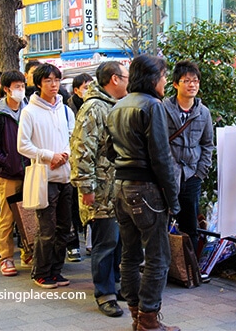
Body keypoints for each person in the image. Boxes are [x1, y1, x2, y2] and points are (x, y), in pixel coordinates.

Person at [106, 54, 181, 331]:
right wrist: (173, 199)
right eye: (163, 76)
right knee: (158, 256)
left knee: (130, 254)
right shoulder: (153, 106)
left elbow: (107, 150)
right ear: (152, 78)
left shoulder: (117, 105)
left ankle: (137, 315)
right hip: (147, 190)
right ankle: (148, 319)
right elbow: (161, 158)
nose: (165, 82)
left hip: (121, 187)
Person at [70, 61, 128, 318]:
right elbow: (82, 149)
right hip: (101, 188)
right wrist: (86, 187)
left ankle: (115, 285)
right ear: (114, 79)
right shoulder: (94, 107)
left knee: (117, 240)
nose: (129, 81)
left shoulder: (114, 105)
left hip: (118, 187)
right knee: (105, 241)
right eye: (126, 77)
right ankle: (104, 293)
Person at [18, 63, 75, 289]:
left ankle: (56, 270)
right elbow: (23, 145)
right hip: (44, 177)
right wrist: (48, 155)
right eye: (49, 81)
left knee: (64, 228)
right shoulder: (29, 111)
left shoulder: (65, 109)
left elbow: (73, 136)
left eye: (56, 80)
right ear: (39, 83)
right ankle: (41, 272)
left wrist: (66, 154)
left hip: (66, 175)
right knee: (46, 229)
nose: (54, 85)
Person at [0, 70, 32, 276]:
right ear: (6, 89)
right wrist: (5, 162)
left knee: (29, 215)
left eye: (22, 86)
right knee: (7, 217)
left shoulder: (29, 110)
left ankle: (28, 252)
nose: (20, 90)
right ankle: (7, 257)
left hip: (29, 171)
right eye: (16, 86)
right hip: (7, 174)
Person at [163, 61, 214, 252]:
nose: (192, 85)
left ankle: (189, 269)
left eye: (195, 81)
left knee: (190, 225)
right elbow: (159, 143)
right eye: (186, 81)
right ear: (176, 84)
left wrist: (200, 173)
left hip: (192, 175)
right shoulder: (163, 109)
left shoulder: (204, 112)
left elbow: (208, 144)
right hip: (168, 175)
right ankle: (165, 268)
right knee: (163, 223)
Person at [65, 73, 93, 262]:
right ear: (76, 90)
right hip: (69, 165)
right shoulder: (68, 109)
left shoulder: (93, 106)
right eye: (85, 87)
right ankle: (73, 244)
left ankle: (89, 242)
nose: (89, 90)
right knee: (73, 208)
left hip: (86, 165)